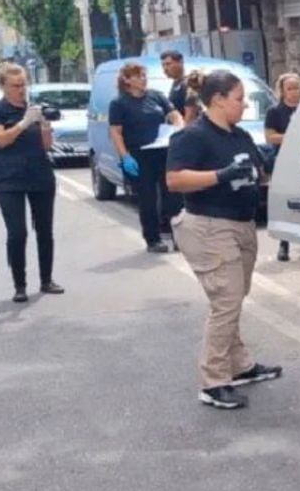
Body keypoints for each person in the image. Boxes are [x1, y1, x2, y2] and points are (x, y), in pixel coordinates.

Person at [167, 69, 282, 409]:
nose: (244, 105)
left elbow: (262, 172)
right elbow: (174, 180)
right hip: (208, 227)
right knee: (226, 302)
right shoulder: (194, 136)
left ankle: (241, 366)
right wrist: (221, 175)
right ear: (217, 100)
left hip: (241, 225)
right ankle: (214, 381)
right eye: (239, 98)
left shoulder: (238, 135)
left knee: (235, 297)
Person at [0, 63, 64, 303]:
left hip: (39, 175)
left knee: (44, 229)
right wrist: (22, 123)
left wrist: (44, 124)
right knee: (17, 232)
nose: (21, 90)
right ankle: (20, 284)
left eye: (24, 85)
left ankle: (46, 279)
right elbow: (1, 141)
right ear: (3, 87)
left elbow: (46, 146)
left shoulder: (33, 109)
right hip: (9, 178)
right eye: (15, 86)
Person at [109, 62, 184, 253]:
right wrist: (125, 156)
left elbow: (174, 114)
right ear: (127, 80)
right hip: (139, 155)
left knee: (173, 195)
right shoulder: (119, 103)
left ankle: (178, 236)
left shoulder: (156, 96)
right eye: (138, 76)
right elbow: (116, 132)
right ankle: (153, 238)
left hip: (162, 151)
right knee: (148, 198)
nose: (143, 79)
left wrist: (178, 125)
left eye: (144, 75)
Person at [265, 72, 300, 261]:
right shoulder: (275, 112)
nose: (294, 92)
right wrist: (293, 136)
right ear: (282, 91)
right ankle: (284, 244)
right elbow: (270, 137)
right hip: (283, 160)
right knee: (284, 202)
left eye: (297, 87)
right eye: (290, 88)